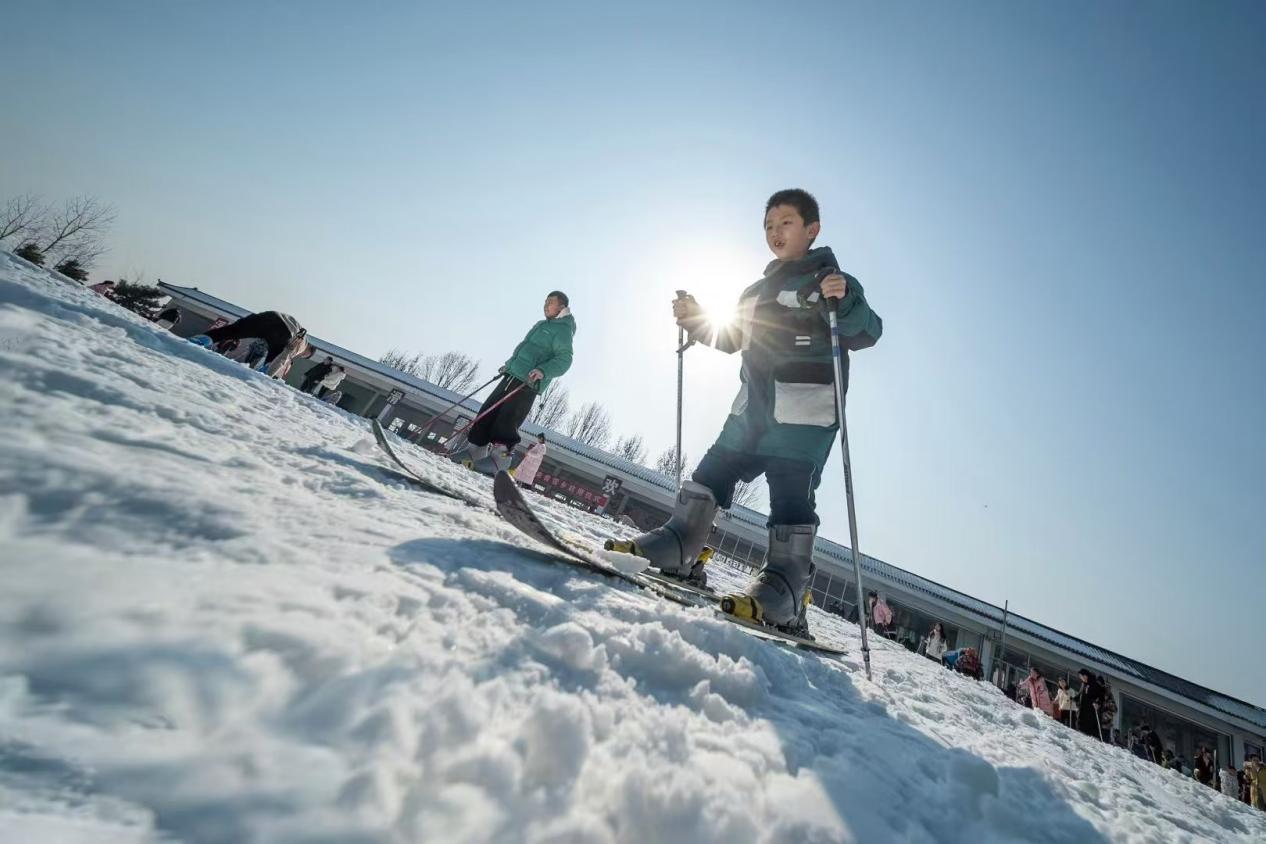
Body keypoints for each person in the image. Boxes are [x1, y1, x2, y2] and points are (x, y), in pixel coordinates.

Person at [605, 189, 882, 634]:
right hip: (750, 410)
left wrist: (845, 300)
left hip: (803, 416)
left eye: (786, 223)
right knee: (711, 473)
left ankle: (786, 589)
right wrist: (696, 319)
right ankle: (680, 544)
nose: (775, 232)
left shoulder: (831, 280)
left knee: (790, 495)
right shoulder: (756, 291)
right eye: (769, 225)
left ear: (812, 230)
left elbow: (867, 330)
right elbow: (731, 337)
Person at [461, 292, 574, 472]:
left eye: (550, 302)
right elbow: (525, 348)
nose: (545, 305)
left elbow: (564, 360)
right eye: (545, 301)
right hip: (512, 375)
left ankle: (500, 460)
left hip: (528, 382)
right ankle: (474, 451)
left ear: (562, 307)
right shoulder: (542, 325)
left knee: (507, 418)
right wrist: (509, 365)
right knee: (488, 411)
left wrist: (543, 371)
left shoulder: (563, 330)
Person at [200, 311, 309, 377]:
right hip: (283, 331)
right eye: (305, 355)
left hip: (271, 316)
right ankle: (264, 371)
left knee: (232, 330)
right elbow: (285, 355)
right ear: (307, 351)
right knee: (275, 356)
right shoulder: (303, 343)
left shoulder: (296, 324)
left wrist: (240, 326)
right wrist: (268, 375)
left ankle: (203, 339)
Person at [1076, 669, 1105, 739]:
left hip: (1091, 711)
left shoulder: (1094, 684)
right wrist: (1074, 698)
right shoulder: (1084, 684)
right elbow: (1080, 694)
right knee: (1080, 727)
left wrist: (1097, 703)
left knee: (1088, 730)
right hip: (1083, 709)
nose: (1080, 678)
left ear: (1085, 676)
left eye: (1081, 676)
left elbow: (1101, 696)